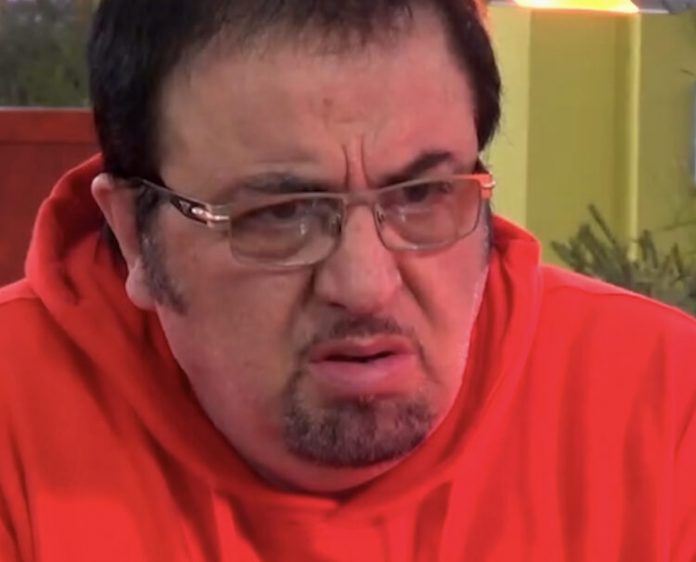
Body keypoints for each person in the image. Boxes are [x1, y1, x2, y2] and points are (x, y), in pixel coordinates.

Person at [0, 0, 694, 560]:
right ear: (134, 235)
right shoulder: (17, 415)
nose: (366, 285)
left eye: (420, 194)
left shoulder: (665, 402)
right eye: (280, 214)